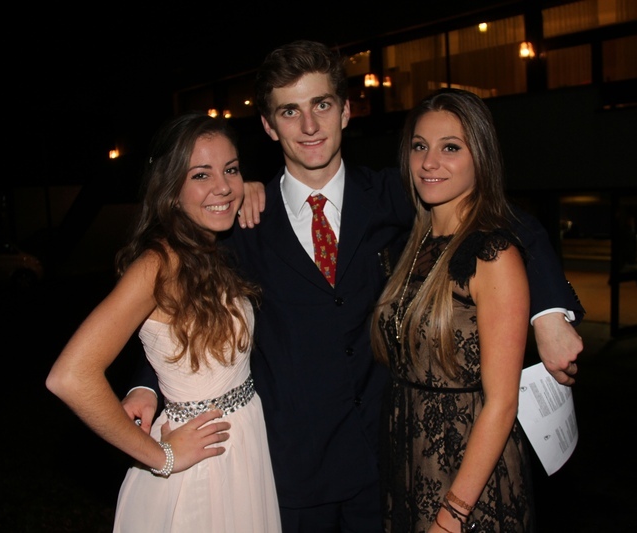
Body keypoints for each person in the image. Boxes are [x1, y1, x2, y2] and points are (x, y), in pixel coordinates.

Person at [124, 40, 583, 532]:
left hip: (390, 465)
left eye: (321, 104)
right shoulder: (240, 220)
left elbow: (505, 221)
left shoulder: (400, 194)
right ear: (268, 125)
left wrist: (549, 313)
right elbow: (176, 308)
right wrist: (147, 383)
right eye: (290, 111)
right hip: (290, 475)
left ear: (345, 111)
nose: (309, 125)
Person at [46, 112, 281, 532]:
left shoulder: (210, 249)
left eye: (230, 170)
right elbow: (70, 376)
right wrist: (162, 457)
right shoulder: (158, 264)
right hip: (201, 464)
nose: (223, 186)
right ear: (171, 190)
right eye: (201, 175)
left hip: (243, 444)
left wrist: (250, 189)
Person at [372, 88, 535, 533]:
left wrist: (453, 515)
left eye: (450, 148)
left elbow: (502, 403)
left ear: (480, 156)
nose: (429, 163)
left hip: (465, 475)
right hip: (408, 460)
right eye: (419, 146)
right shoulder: (413, 246)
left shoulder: (493, 255)